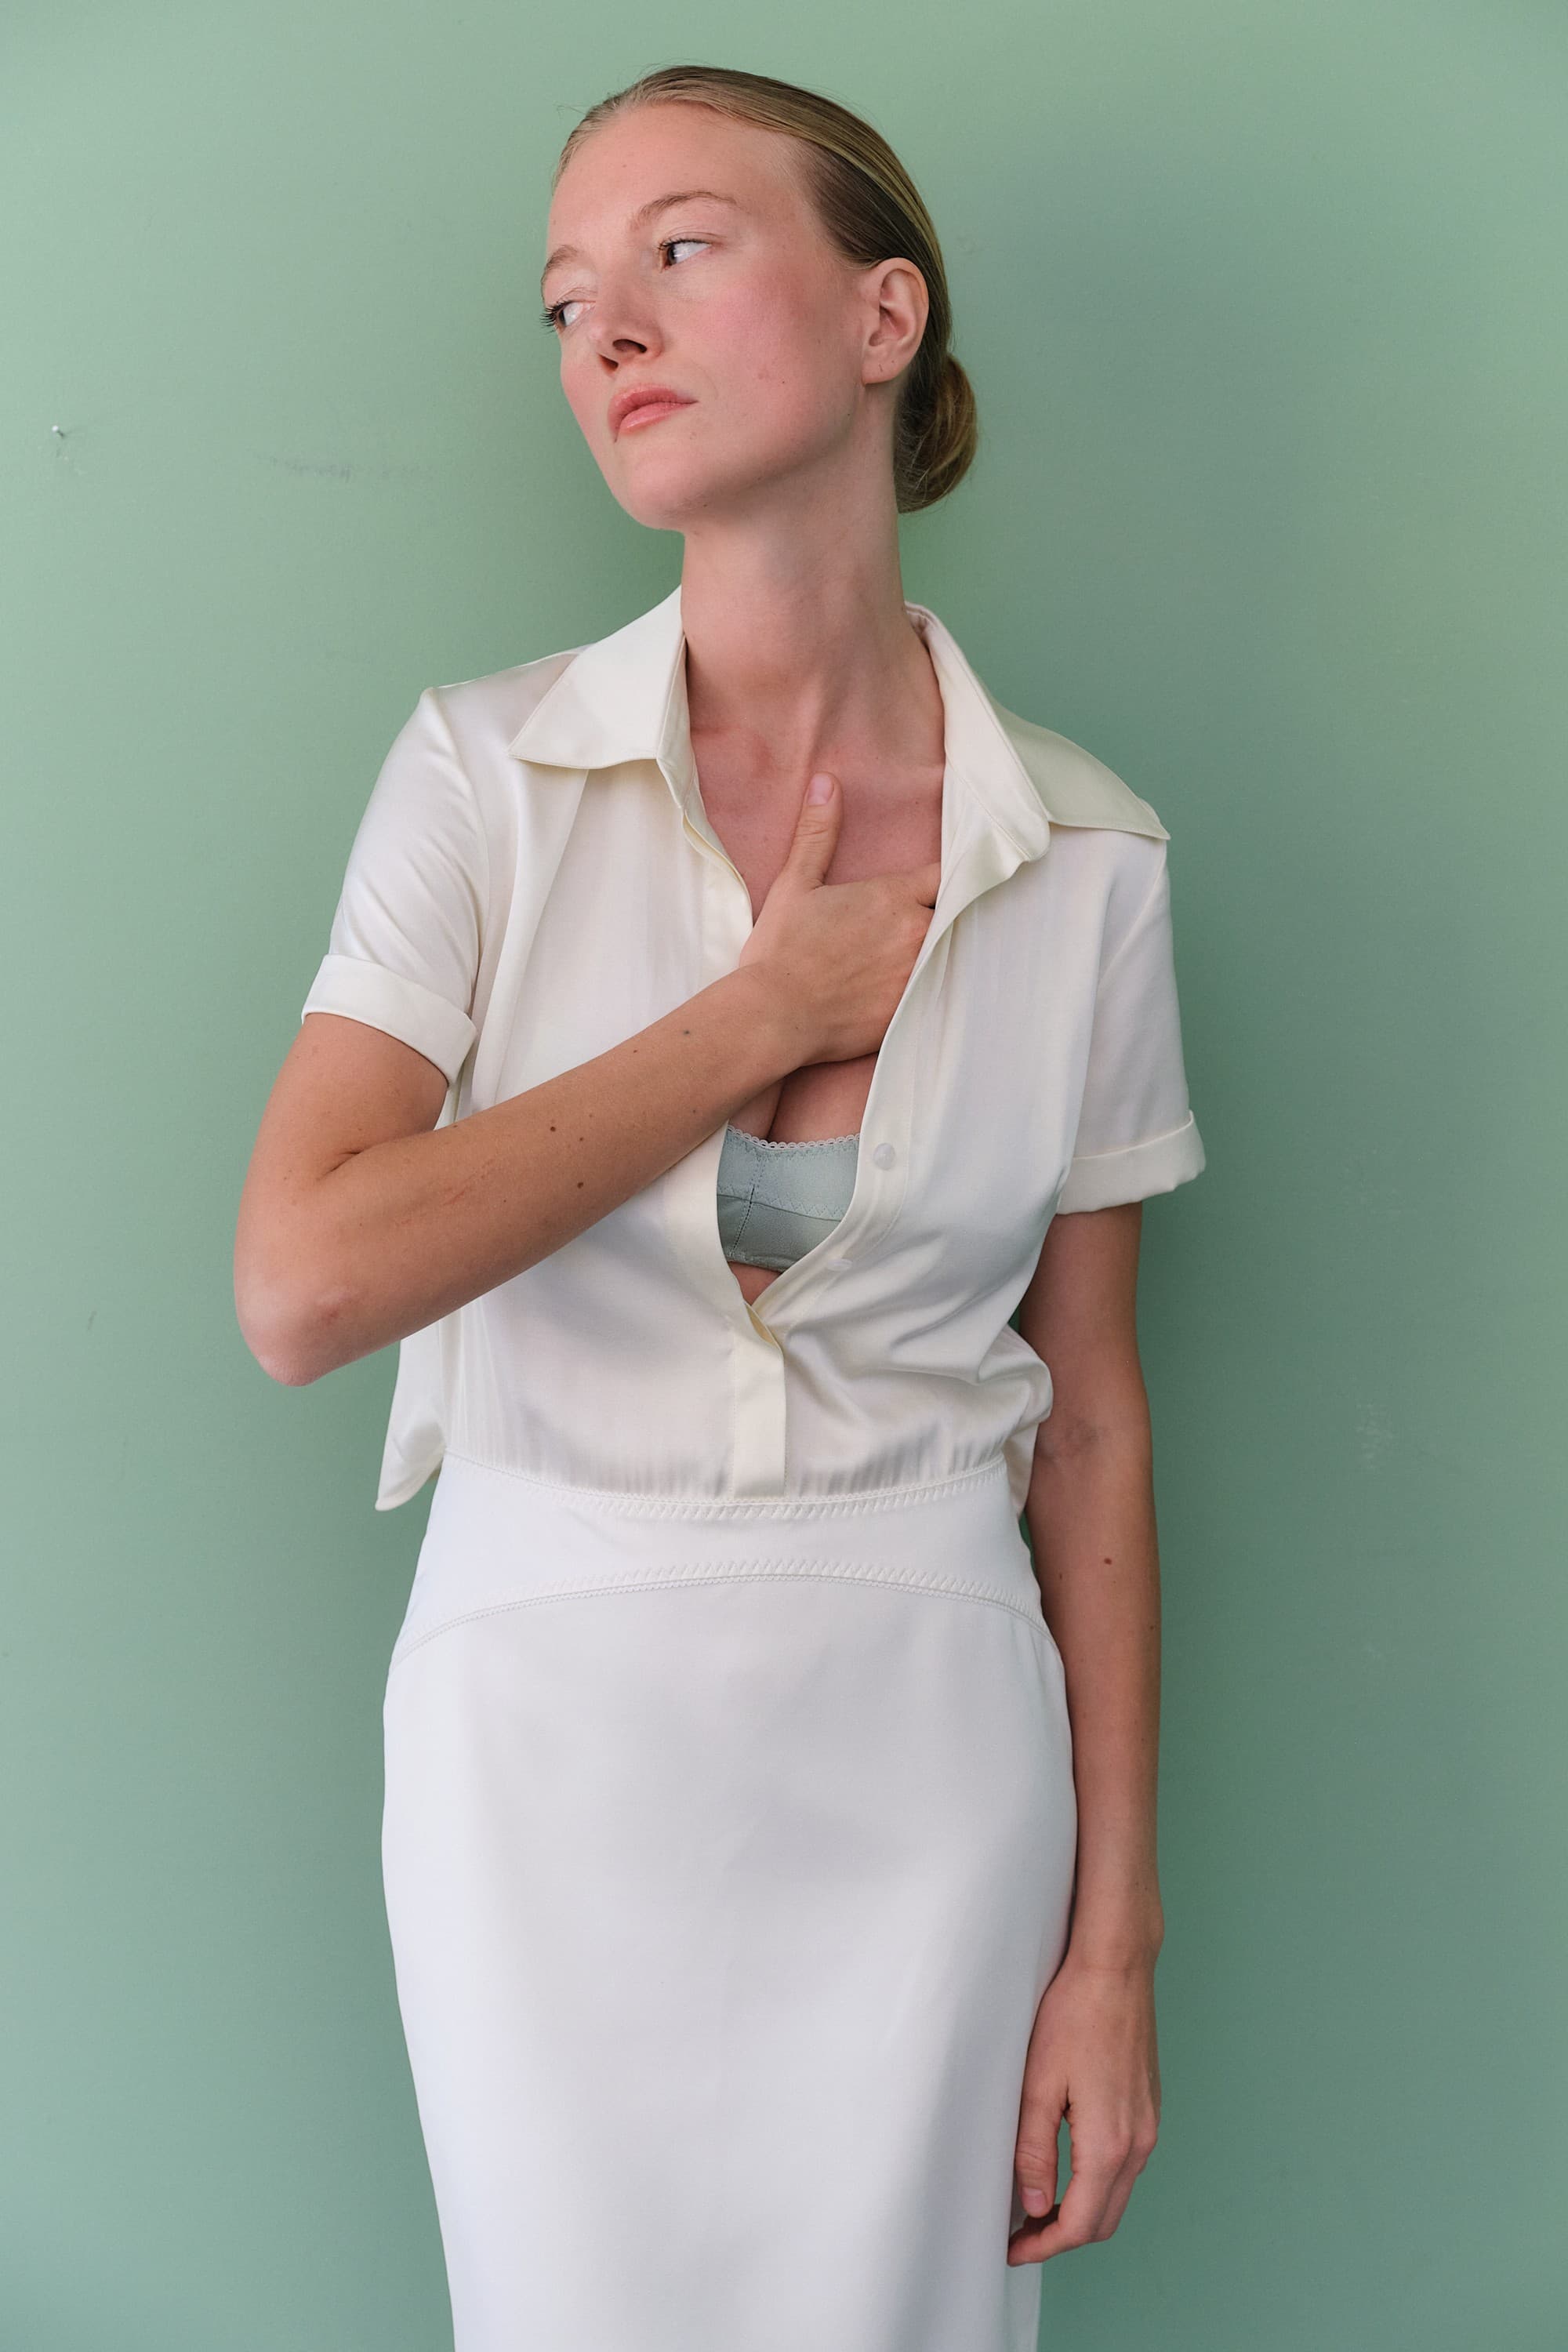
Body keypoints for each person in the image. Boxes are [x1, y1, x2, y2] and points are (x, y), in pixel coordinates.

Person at [234, 62, 1206, 2352]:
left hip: (935, 1736)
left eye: (680, 248)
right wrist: (754, 1013)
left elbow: (1089, 1419)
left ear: (885, 317)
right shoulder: (481, 776)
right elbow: (304, 1283)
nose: (608, 327)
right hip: (544, 1727)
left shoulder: (1092, 857)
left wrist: (1114, 1949)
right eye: (566, 296)